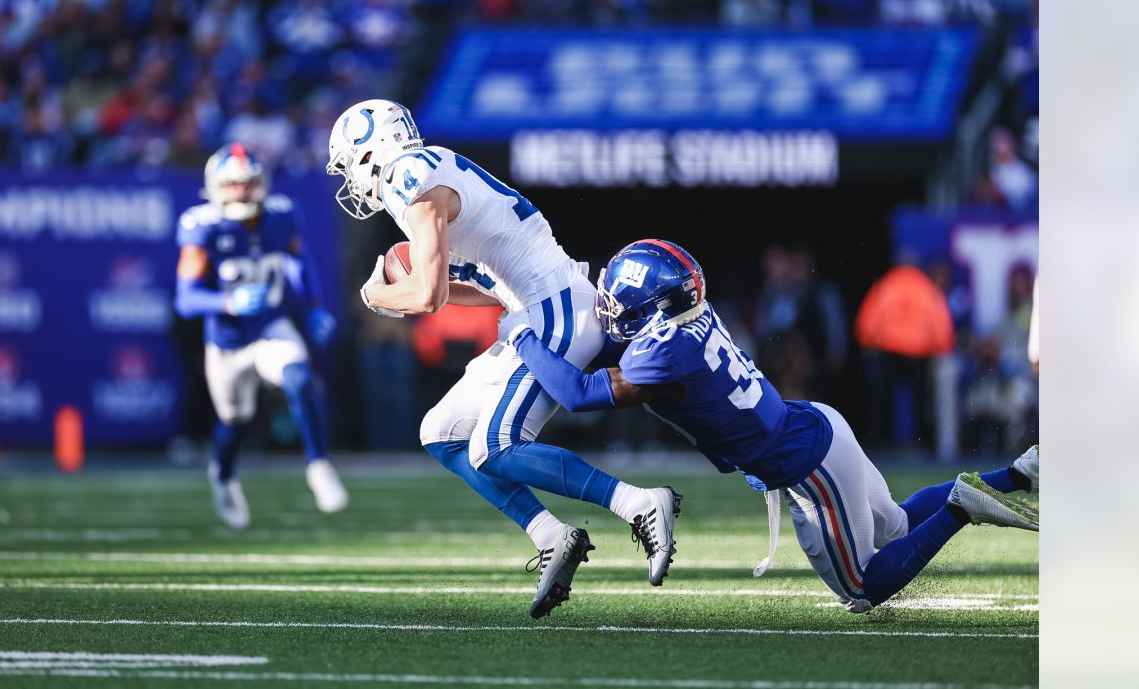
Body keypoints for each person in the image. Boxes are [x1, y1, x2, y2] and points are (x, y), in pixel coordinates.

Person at [507, 239, 1039, 612]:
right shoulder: (688, 317)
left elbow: (576, 395)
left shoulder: (663, 354)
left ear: (653, 309)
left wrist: (523, 337)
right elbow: (630, 343)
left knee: (863, 588)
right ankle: (1017, 474)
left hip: (804, 465)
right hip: (816, 425)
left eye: (619, 301)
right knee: (896, 525)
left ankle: (961, 506)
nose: (610, 308)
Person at [326, 100, 679, 619]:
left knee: (493, 447)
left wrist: (376, 298)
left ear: (371, 152)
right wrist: (428, 286)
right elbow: (475, 288)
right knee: (441, 432)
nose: (351, 182)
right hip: (533, 307)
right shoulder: (428, 170)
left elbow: (427, 297)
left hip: (554, 307)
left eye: (349, 165)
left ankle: (637, 501)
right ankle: (551, 534)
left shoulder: (409, 177)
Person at [174, 142, 346, 528]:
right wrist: (228, 303)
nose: (243, 192)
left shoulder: (281, 216)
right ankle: (222, 476)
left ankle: (319, 465)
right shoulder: (203, 227)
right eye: (234, 185)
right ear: (215, 187)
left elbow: (299, 261)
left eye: (249, 183)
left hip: (271, 326)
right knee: (234, 421)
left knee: (299, 377)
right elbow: (186, 299)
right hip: (228, 341)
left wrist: (315, 306)